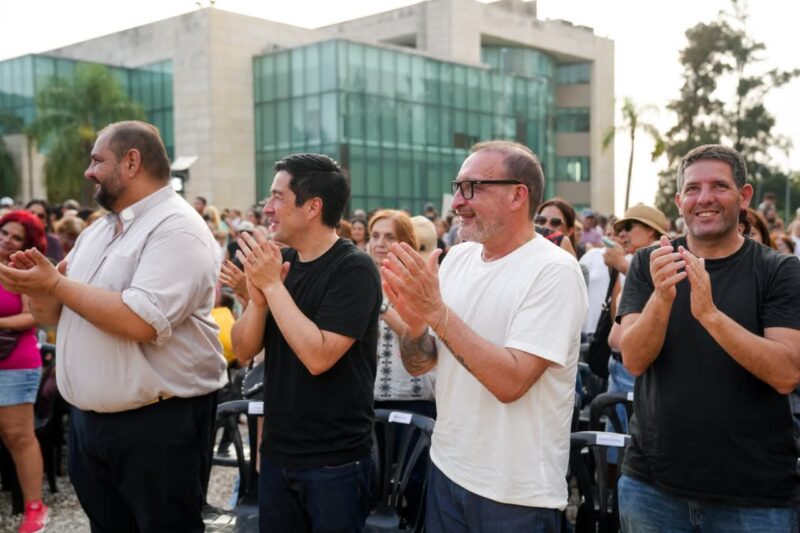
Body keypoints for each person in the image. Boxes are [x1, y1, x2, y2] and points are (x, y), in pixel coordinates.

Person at [0, 120, 227, 532]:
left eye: (97, 161)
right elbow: (54, 316)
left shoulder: (178, 228)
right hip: (91, 424)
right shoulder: (99, 231)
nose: (89, 172)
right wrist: (38, 287)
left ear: (132, 162)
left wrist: (55, 284)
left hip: (157, 425)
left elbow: (141, 320)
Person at [381, 140, 587, 531]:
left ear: (517, 195)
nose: (458, 201)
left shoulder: (554, 271)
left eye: (472, 187)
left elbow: (511, 382)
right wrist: (415, 325)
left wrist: (436, 313)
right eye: (458, 187)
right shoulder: (458, 258)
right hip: (446, 470)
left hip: (514, 495)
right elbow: (421, 363)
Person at [617, 144, 800, 531]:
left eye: (719, 186)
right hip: (652, 488)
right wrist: (662, 298)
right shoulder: (650, 263)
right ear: (679, 200)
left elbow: (786, 374)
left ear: (744, 196)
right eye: (693, 189)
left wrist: (710, 315)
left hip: (754, 495)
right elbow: (633, 359)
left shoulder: (780, 270)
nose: (704, 199)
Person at [231, 153, 381, 532]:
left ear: (313, 207)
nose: (267, 209)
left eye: (278, 197)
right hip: (278, 453)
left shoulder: (354, 268)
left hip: (335, 462)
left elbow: (318, 356)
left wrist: (271, 287)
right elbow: (243, 351)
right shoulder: (279, 262)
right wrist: (258, 300)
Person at [0, 211, 49, 533]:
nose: (7, 240)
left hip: (15, 362)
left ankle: (35, 508)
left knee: (18, 436)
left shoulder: (24, 271)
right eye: (4, 232)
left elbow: (34, 317)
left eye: (17, 237)